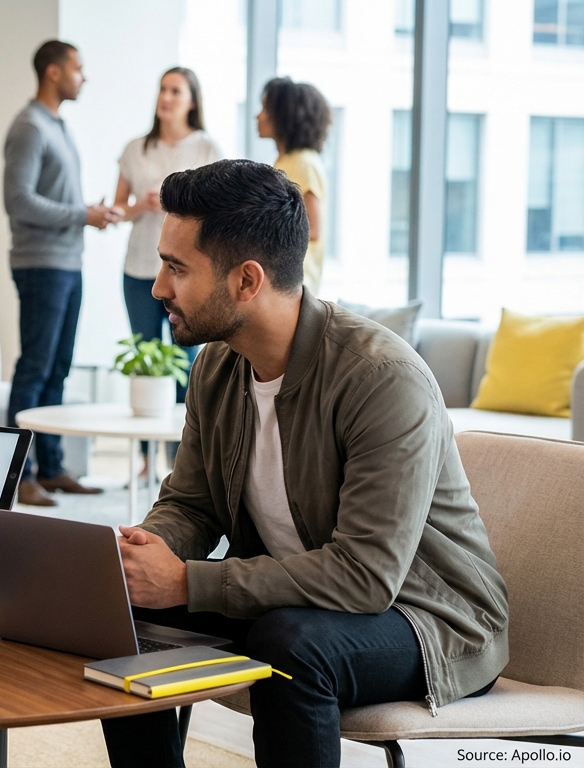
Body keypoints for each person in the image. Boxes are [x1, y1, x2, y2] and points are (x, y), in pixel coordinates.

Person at [97, 160, 507, 767]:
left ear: (246, 281)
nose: (158, 287)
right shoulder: (217, 366)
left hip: (425, 620)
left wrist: (187, 581)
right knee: (117, 610)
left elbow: (366, 577)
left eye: (177, 267)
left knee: (290, 644)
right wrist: (142, 553)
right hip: (293, 602)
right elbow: (191, 504)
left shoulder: (380, 379)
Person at [3, 39, 119, 508]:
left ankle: (49, 468)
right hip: (41, 264)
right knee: (34, 368)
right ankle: (19, 476)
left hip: (67, 262)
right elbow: (19, 201)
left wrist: (88, 213)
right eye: (77, 67)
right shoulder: (29, 126)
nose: (83, 76)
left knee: (58, 369)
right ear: (53, 72)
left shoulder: (58, 126)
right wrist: (81, 214)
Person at [112, 67, 222, 387]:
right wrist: (138, 207)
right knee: (144, 360)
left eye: (176, 91)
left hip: (186, 269)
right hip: (139, 269)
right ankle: (146, 439)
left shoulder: (207, 149)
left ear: (192, 102)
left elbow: (219, 210)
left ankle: (186, 436)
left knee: (185, 359)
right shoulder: (136, 149)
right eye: (163, 89)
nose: (166, 97)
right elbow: (117, 210)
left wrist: (177, 204)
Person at [257, 76, 331, 293]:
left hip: (295, 284)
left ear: (283, 116)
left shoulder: (304, 163)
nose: (258, 116)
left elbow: (313, 229)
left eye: (264, 109)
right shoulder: (286, 161)